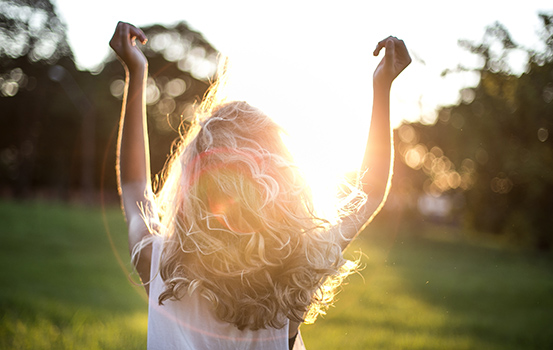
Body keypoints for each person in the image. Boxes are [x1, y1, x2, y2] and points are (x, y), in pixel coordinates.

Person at [110, 21, 410, 350]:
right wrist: (382, 88)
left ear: (192, 190)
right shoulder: (297, 272)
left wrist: (136, 73)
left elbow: (136, 184)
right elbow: (370, 191)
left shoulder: (158, 263)